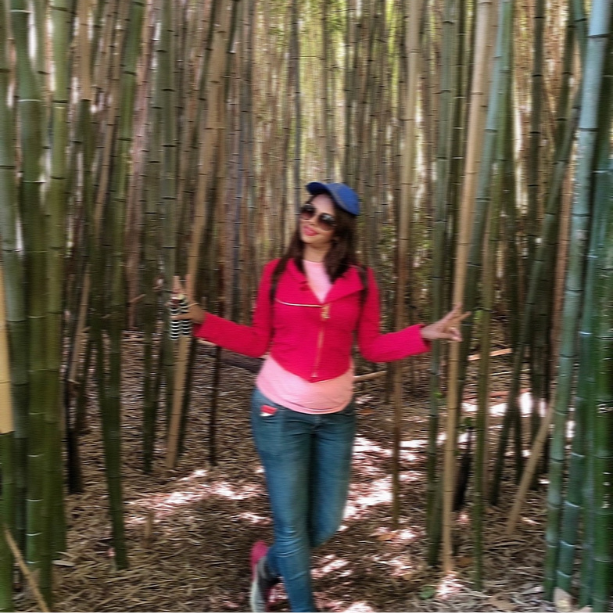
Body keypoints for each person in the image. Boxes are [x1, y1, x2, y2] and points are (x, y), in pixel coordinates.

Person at [172, 182, 469, 612]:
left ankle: (269, 567)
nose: (310, 221)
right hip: (278, 413)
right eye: (307, 210)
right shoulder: (276, 272)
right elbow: (256, 342)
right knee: (292, 530)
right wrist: (196, 319)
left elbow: (370, 347)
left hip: (336, 416)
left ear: (340, 229)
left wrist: (423, 335)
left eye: (324, 217)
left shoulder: (362, 281)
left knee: (326, 523)